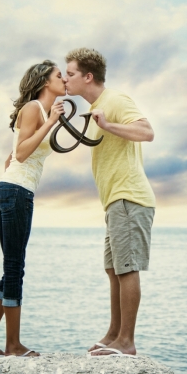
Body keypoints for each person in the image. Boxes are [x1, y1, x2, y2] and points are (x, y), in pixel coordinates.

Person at [62, 47, 156, 357]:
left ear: (88, 77)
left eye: (71, 73)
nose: (65, 77)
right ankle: (114, 334)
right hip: (115, 201)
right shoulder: (96, 106)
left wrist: (108, 125)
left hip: (129, 196)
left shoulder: (115, 100)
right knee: (113, 269)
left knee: (127, 269)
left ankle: (126, 343)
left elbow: (147, 132)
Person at [0, 60, 66, 358]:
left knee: (10, 269)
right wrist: (51, 122)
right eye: (58, 75)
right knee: (15, 268)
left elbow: (11, 156)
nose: (64, 78)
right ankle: (13, 345)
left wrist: (50, 121)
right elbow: (22, 152)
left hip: (10, 188)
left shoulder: (38, 112)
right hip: (16, 192)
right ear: (44, 81)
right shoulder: (34, 109)